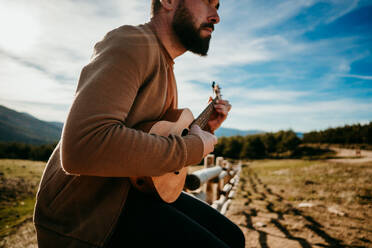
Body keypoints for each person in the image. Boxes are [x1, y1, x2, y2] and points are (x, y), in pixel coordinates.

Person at [33, 0, 245, 247]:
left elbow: (151, 139)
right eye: (207, 2)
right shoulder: (131, 42)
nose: (216, 16)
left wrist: (206, 129)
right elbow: (83, 147)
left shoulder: (165, 64)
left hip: (130, 194)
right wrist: (194, 147)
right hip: (88, 217)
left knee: (233, 237)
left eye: (218, 6)